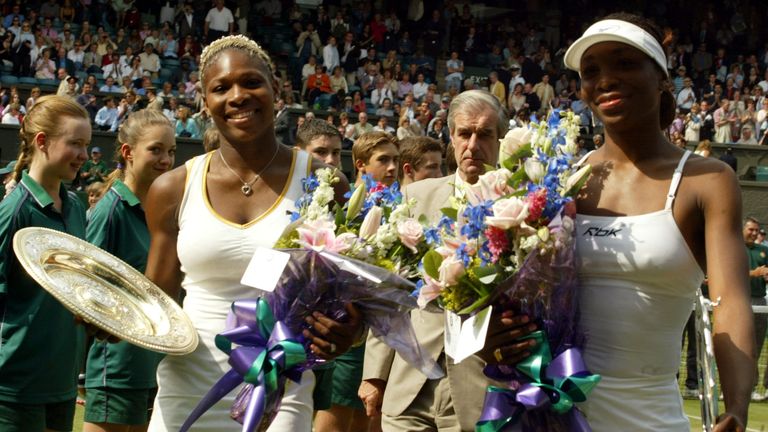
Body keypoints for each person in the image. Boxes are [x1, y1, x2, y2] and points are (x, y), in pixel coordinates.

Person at [529, 12, 753, 431]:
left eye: (625, 63)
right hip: (552, 416)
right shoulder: (559, 180)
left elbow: (732, 302)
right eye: (591, 71)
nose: (605, 79)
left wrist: (737, 403)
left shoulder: (708, 180)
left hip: (652, 418)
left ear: (662, 78)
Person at [144, 35, 363, 432]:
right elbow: (154, 300)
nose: (238, 96)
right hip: (186, 387)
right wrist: (104, 311)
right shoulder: (172, 188)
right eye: (221, 88)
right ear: (204, 100)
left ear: (275, 90)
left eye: (251, 83)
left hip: (281, 389)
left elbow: (352, 301)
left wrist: (348, 332)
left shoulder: (323, 182)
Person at [360, 90, 519, 432]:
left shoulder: (521, 207)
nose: (472, 145)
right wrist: (374, 373)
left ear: (500, 140)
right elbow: (387, 291)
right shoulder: (415, 197)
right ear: (451, 137)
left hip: (480, 390)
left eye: (484, 135)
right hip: (409, 384)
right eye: (464, 134)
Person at [0, 95, 91, 431]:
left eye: (87, 145)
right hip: (17, 386)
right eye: (75, 144)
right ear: (42, 142)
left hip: (62, 380)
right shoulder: (14, 211)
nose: (84, 155)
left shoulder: (77, 207)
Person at [83, 110, 176, 432]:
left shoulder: (163, 211)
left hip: (156, 364)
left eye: (171, 151)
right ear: (128, 152)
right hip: (118, 369)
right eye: (156, 149)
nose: (166, 159)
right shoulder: (110, 211)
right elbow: (88, 290)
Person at [317, 131, 399, 432]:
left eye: (395, 160)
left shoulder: (398, 210)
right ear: (361, 165)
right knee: (335, 422)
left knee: (368, 424)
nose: (392, 168)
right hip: (345, 335)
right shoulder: (343, 208)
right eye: (383, 160)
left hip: (381, 336)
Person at [743, 217, 768, 401]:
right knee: (739, 345)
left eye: (756, 230)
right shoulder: (733, 247)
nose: (753, 233)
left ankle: (751, 387)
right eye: (751, 229)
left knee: (757, 346)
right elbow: (730, 272)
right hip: (740, 300)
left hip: (760, 301)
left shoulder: (764, 251)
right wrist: (754, 273)